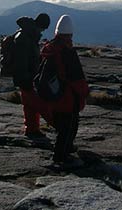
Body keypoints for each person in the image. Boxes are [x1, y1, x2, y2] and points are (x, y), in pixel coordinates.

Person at [39, 15, 89, 164]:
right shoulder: (67, 52)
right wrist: (85, 92)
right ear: (71, 34)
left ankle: (63, 150)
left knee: (61, 125)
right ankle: (61, 156)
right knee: (69, 127)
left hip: (52, 94)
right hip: (67, 97)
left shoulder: (48, 49)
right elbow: (76, 77)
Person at [13, 13, 51, 137]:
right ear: (40, 25)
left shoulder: (28, 34)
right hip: (26, 76)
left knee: (29, 105)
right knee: (36, 104)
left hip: (26, 76)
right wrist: (26, 77)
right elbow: (22, 59)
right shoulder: (25, 37)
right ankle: (36, 128)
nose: (43, 31)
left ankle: (32, 129)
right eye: (44, 28)